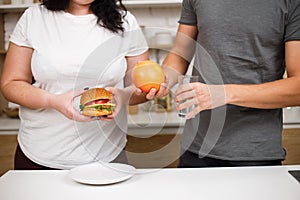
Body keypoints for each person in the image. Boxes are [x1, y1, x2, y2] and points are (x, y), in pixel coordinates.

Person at [0, 0, 151, 170]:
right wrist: (53, 101)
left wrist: (123, 96)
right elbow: (11, 83)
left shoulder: (125, 21)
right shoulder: (34, 18)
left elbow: (140, 88)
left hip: (107, 157)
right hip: (39, 155)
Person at [153, 0, 300, 167]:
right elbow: (180, 53)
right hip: (196, 147)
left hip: (255, 151)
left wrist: (223, 94)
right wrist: (163, 79)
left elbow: (298, 88)